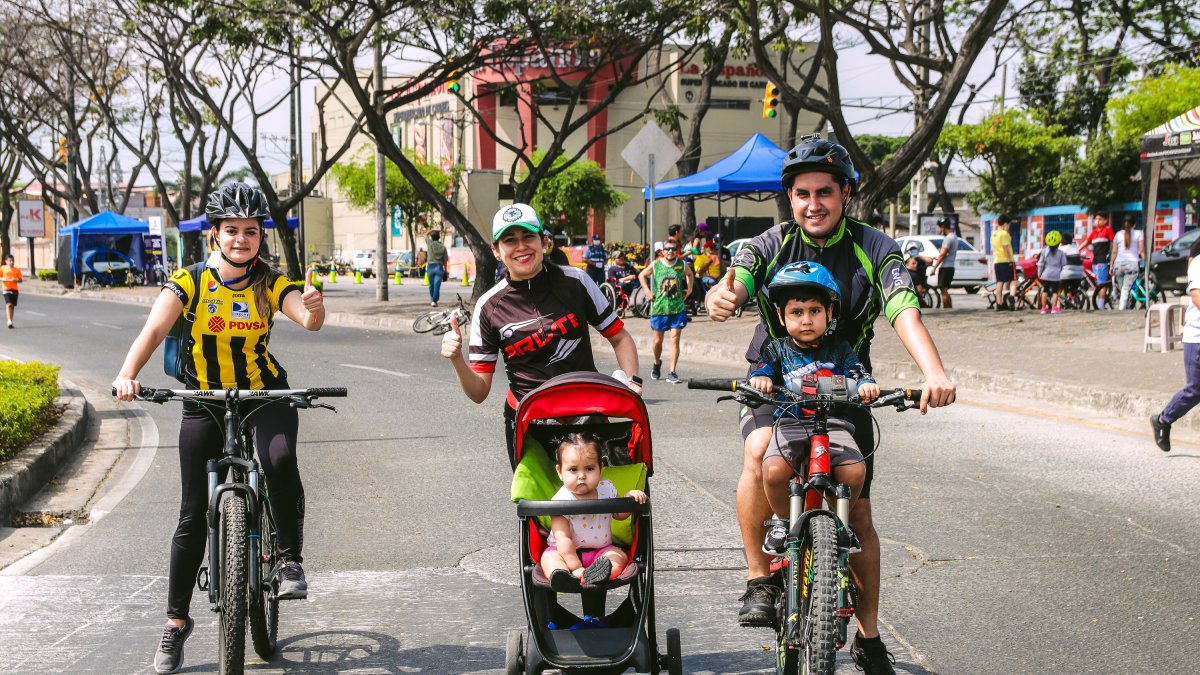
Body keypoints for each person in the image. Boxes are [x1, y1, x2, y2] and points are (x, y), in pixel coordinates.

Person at [704, 137, 955, 675]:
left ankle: (868, 637)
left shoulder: (875, 246)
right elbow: (738, 280)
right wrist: (721, 297)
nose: (813, 203)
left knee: (858, 510)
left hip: (845, 385)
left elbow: (903, 308)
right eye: (801, 194)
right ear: (789, 199)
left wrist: (932, 371)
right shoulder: (768, 243)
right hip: (776, 384)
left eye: (824, 192)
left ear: (846, 194)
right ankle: (760, 580)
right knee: (758, 450)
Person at [111, 182, 326, 675]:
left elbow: (308, 321)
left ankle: (289, 560)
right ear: (214, 234)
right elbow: (153, 332)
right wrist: (127, 376)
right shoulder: (188, 283)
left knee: (279, 460)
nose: (241, 239)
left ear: (260, 237)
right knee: (190, 514)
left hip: (262, 394)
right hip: (202, 399)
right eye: (231, 230)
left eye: (250, 231)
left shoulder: (271, 282)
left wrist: (313, 306)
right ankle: (175, 623)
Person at [440, 203, 642, 469]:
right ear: (497, 251)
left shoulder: (576, 281)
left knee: (600, 502)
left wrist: (633, 382)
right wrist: (456, 359)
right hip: (529, 422)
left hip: (587, 415)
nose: (521, 247)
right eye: (509, 240)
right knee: (539, 508)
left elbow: (619, 337)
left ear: (544, 241)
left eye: (528, 237)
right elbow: (479, 391)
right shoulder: (489, 306)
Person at [746, 261, 879, 553]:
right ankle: (782, 520)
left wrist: (867, 384)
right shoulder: (777, 349)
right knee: (773, 469)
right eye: (797, 312)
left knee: (856, 471)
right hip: (790, 425)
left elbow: (858, 372)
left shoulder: (841, 348)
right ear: (781, 316)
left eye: (815, 311)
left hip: (835, 425)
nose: (806, 320)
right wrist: (760, 380)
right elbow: (762, 371)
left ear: (829, 313)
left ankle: (840, 520)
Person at [540, 432, 648, 591]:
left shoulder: (606, 489)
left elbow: (619, 514)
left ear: (601, 469)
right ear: (559, 472)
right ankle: (561, 575)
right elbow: (563, 540)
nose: (582, 476)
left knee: (619, 557)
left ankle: (600, 573)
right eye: (573, 470)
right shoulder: (560, 501)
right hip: (563, 553)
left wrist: (628, 498)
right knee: (549, 559)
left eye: (589, 469)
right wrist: (575, 568)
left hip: (601, 552)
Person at [639, 238, 693, 384]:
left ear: (677, 251)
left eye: (673, 249)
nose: (670, 251)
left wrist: (690, 289)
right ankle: (657, 363)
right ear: (663, 251)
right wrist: (647, 291)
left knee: (675, 338)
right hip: (660, 309)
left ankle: (672, 371)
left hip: (677, 308)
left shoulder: (681, 264)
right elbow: (642, 275)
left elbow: (690, 274)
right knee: (658, 341)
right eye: (668, 249)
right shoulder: (656, 264)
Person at [1112, 214, 1144, 311]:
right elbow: (1141, 251)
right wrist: (1146, 263)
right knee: (1126, 289)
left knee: (1123, 289)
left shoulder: (1117, 234)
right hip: (1132, 265)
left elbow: (1114, 252)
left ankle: (1123, 306)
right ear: (1134, 224)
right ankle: (1122, 310)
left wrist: (1111, 266)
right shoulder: (1139, 233)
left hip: (1118, 265)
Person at [1084, 214, 1114, 309]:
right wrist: (1077, 250)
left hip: (1103, 261)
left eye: (1100, 219)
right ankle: (1100, 303)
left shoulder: (1107, 230)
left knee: (1102, 283)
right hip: (1095, 261)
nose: (1097, 221)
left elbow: (1113, 243)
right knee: (1098, 283)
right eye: (1096, 219)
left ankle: (1100, 305)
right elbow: (1086, 242)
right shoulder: (1094, 233)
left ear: (1105, 221)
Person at [1037, 231, 1067, 314]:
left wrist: (1039, 273)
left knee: (1045, 290)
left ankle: (1043, 308)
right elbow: (1064, 263)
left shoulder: (1044, 252)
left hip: (1046, 274)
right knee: (1055, 291)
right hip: (1056, 275)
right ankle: (1054, 308)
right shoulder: (1061, 253)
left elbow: (1040, 263)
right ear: (1059, 243)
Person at [930, 217, 958, 309]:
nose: (938, 229)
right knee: (945, 290)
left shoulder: (948, 238)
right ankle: (949, 308)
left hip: (946, 267)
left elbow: (943, 255)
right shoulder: (954, 237)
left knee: (943, 290)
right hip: (951, 266)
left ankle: (947, 309)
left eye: (939, 227)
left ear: (943, 227)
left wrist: (934, 268)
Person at [991, 215, 1017, 311]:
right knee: (1013, 280)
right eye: (1008, 224)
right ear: (1005, 223)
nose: (1008, 227)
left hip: (997, 261)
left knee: (1000, 281)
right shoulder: (1004, 234)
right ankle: (1011, 296)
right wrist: (1009, 260)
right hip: (1007, 260)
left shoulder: (994, 234)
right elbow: (1005, 248)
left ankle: (999, 303)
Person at [903, 243, 934, 307]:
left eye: (914, 249)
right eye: (911, 249)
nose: (915, 265)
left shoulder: (920, 259)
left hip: (919, 281)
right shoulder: (907, 260)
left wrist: (918, 256)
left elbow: (930, 260)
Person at [1059, 231, 1085, 302]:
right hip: (1079, 274)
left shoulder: (1061, 249)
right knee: (1072, 287)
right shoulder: (1075, 247)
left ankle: (1061, 302)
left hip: (1066, 274)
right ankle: (1072, 297)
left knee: (1060, 287)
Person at [425, 230, 449, 307]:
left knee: (431, 285)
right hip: (439, 266)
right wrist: (445, 270)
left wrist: (431, 230)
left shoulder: (430, 244)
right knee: (437, 285)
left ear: (431, 237)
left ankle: (432, 299)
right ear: (439, 237)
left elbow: (425, 235)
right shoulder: (443, 247)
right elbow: (445, 260)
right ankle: (434, 300)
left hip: (430, 266)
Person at [1, 253, 23, 328]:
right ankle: (9, 321)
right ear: (6, 261)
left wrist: (16, 280)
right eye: (10, 261)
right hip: (6, 288)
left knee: (12, 306)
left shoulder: (17, 270)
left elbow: (20, 280)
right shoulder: (3, 268)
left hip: (14, 289)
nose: (12, 262)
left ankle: (10, 320)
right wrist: (2, 279)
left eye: (13, 261)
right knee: (9, 304)